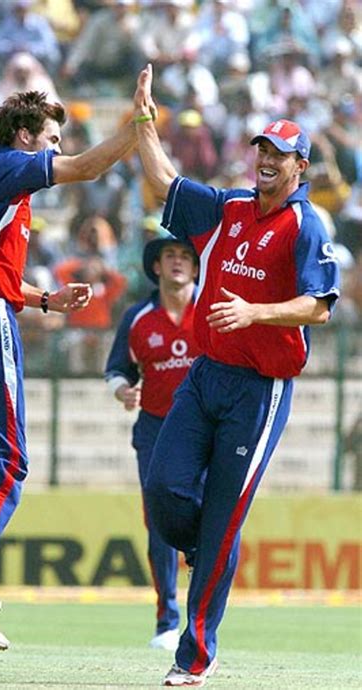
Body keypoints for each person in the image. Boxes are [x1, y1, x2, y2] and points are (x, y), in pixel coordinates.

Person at [133, 65, 340, 686]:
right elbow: (164, 180)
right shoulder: (228, 209)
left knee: (223, 515)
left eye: (281, 153)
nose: (268, 160)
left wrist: (256, 311)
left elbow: (320, 306)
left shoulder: (306, 225)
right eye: (262, 150)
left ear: (301, 166)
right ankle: (214, 551)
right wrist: (144, 122)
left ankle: (194, 657)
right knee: (163, 489)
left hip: (260, 389)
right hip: (204, 377)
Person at [0, 89, 139, 652]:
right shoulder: (14, 165)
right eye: (51, 137)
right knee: (9, 456)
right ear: (24, 135)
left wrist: (46, 300)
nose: (56, 147)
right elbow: (88, 168)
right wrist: (139, 127)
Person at [105, 234, 200, 652]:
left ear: (197, 267)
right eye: (169, 256)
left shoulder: (215, 308)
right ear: (156, 267)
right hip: (156, 431)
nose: (177, 263)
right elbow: (116, 371)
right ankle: (167, 620)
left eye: (185, 256)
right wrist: (123, 390)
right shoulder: (138, 317)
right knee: (160, 523)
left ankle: (202, 621)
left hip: (207, 431)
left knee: (210, 522)